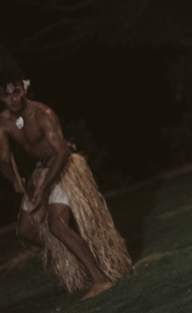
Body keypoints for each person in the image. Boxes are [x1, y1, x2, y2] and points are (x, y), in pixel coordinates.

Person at [0, 68, 131, 299]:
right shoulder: (4, 123)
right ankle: (71, 253)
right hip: (40, 172)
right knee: (26, 231)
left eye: (16, 91)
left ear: (24, 89)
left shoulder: (42, 113)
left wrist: (43, 187)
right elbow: (3, 159)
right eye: (7, 94)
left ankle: (99, 279)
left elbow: (61, 152)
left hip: (63, 168)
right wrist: (14, 180)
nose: (13, 98)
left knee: (57, 225)